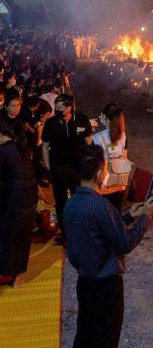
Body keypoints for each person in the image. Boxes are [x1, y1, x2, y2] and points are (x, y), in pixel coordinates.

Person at [64, 145, 153, 348]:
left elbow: (97, 231)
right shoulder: (100, 206)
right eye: (105, 168)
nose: (106, 172)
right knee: (105, 341)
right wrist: (146, 216)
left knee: (85, 336)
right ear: (99, 174)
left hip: (85, 282)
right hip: (106, 286)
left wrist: (128, 216)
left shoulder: (71, 205)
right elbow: (124, 242)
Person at [41, 94, 93, 242]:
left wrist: (87, 163)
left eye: (59, 108)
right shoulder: (51, 123)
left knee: (79, 200)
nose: (56, 110)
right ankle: (65, 234)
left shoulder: (82, 120)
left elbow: (88, 142)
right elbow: (45, 146)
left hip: (77, 169)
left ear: (69, 107)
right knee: (61, 202)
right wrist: (49, 167)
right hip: (58, 168)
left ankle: (81, 231)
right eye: (55, 108)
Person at [0, 119, 38, 288]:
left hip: (13, 199)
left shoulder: (4, 151)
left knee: (8, 236)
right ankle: (17, 276)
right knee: (22, 236)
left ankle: (8, 271)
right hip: (28, 196)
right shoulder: (20, 147)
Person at [92, 103, 128, 211]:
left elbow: (95, 163)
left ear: (105, 117)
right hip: (120, 183)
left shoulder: (98, 137)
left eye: (101, 115)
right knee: (117, 215)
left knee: (104, 217)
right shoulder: (123, 136)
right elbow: (125, 158)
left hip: (104, 186)